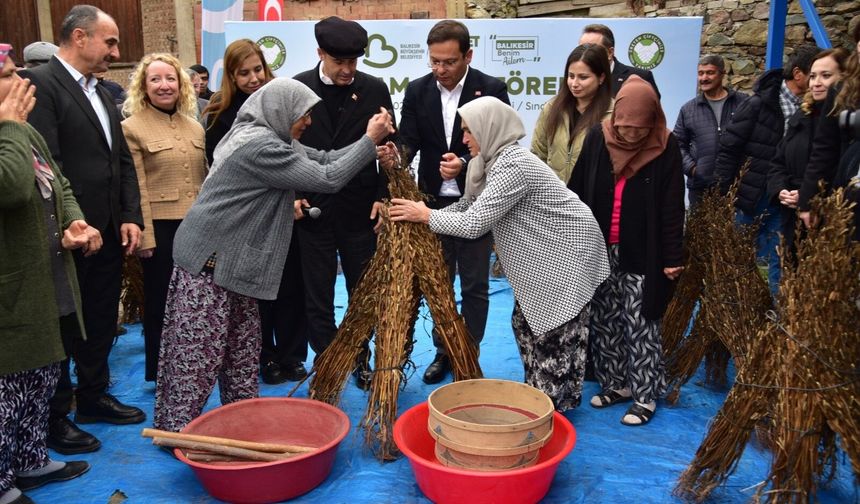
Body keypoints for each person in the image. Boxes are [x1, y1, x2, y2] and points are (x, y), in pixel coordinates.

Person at [152, 78, 394, 433]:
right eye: (304, 115)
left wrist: (368, 151)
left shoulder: (270, 136)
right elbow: (326, 178)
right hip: (210, 262)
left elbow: (324, 158)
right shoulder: (260, 146)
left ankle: (241, 419)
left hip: (234, 264)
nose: (308, 122)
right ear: (281, 111)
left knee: (242, 348)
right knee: (197, 355)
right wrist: (369, 139)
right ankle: (175, 431)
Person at [388, 97, 608, 410]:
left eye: (468, 131)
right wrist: (426, 212)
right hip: (547, 254)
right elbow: (468, 205)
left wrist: (425, 216)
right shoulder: (488, 160)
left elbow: (475, 223)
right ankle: (545, 396)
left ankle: (551, 406)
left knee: (551, 330)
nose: (464, 139)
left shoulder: (512, 164)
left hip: (566, 252)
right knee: (524, 322)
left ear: (488, 129)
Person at [20, 4, 145, 455]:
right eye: (109, 42)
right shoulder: (42, 85)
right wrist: (68, 223)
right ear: (79, 37)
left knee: (97, 318)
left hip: (108, 230)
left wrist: (130, 215)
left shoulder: (103, 91)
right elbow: (44, 164)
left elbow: (121, 161)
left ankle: (92, 396)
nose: (116, 50)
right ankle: (56, 415)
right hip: (68, 234)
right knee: (65, 324)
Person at [0, 45, 97, 504]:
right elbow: (12, 187)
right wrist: (11, 123)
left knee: (41, 374)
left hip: (47, 275)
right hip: (13, 287)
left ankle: (30, 458)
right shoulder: (12, 130)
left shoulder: (19, 131)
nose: (20, 81)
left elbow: (58, 180)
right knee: (9, 383)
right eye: (7, 74)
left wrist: (71, 220)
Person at [568, 75, 685, 426]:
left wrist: (673, 256)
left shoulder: (666, 145)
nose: (631, 134)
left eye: (639, 128)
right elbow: (575, 192)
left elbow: (672, 205)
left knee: (641, 320)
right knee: (605, 319)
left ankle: (645, 393)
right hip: (600, 246)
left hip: (644, 250)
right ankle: (617, 383)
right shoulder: (597, 138)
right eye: (624, 127)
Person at [399, 19, 510, 385]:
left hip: (477, 203)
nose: (440, 70)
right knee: (438, 283)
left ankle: (469, 351)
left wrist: (464, 164)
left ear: (468, 56)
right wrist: (393, 155)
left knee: (475, 285)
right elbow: (408, 142)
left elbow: (499, 146)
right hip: (431, 206)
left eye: (448, 61)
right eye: (434, 61)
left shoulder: (490, 89)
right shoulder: (417, 91)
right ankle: (444, 350)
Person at [293, 16, 396, 390]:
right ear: (321, 53)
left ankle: (360, 358)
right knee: (317, 293)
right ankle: (326, 361)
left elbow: (388, 150)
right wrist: (293, 196)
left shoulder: (374, 88)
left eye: (354, 62)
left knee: (362, 291)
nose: (349, 70)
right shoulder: (297, 88)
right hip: (313, 209)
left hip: (359, 209)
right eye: (340, 62)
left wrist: (385, 197)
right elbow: (283, 148)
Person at [120, 53, 208, 383]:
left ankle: (195, 362)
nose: (164, 85)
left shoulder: (194, 127)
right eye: (155, 79)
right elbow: (135, 185)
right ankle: (162, 371)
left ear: (181, 84)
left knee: (196, 301)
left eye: (170, 78)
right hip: (159, 228)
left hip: (196, 227)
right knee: (161, 303)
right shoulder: (131, 127)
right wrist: (144, 237)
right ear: (144, 86)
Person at [712, 45, 820, 295]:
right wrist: (722, 192)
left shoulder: (813, 110)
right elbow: (729, 147)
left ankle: (777, 316)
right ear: (798, 74)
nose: (818, 82)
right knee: (736, 260)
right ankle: (737, 313)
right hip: (751, 195)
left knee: (778, 259)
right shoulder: (758, 104)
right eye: (813, 74)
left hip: (783, 197)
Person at [768, 48, 848, 255]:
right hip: (792, 218)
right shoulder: (801, 117)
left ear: (845, 78)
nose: (816, 83)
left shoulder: (847, 123)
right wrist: (781, 190)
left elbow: (838, 168)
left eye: (826, 75)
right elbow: (778, 161)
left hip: (829, 218)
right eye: (812, 76)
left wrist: (807, 195)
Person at [799, 25, 860, 241]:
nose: (816, 83)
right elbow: (824, 151)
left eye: (825, 75)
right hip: (851, 198)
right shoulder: (844, 91)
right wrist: (807, 201)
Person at [531, 43, 613, 184]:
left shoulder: (614, 114)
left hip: (591, 199)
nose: (574, 83)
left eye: (583, 77)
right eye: (571, 76)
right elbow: (538, 155)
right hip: (554, 197)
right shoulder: (552, 108)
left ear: (601, 78)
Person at [673, 54, 748, 207]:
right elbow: (677, 145)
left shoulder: (743, 103)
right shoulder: (688, 109)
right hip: (700, 188)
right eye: (701, 73)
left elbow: (755, 139)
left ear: (722, 74)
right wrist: (693, 169)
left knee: (735, 231)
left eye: (710, 73)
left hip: (737, 187)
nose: (704, 78)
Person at [202, 39, 274, 165]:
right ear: (232, 76)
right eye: (244, 73)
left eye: (258, 69)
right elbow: (215, 159)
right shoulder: (221, 110)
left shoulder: (279, 98)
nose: (254, 79)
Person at [579, 23, 660, 98]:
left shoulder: (641, 77)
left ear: (610, 52)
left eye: (592, 49)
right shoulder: (572, 81)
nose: (585, 54)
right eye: (580, 49)